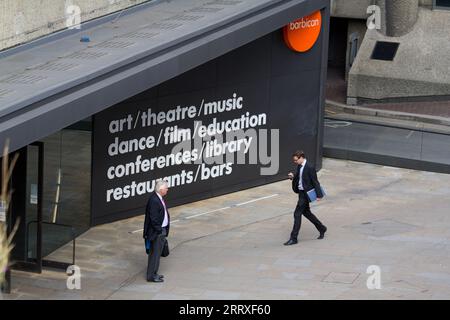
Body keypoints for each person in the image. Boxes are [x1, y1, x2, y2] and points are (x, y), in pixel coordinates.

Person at [285, 150, 327, 245]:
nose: (295, 162)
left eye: (296, 160)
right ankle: (322, 228)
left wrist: (319, 195)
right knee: (307, 213)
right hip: (301, 192)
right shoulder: (300, 165)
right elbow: (300, 177)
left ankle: (294, 238)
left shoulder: (310, 167)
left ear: (301, 158)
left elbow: (315, 181)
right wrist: (293, 176)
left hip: (305, 194)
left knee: (297, 214)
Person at [143, 180, 170, 282]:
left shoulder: (159, 198)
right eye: (166, 188)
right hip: (156, 232)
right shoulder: (154, 200)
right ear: (161, 189)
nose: (167, 189)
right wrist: (159, 230)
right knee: (154, 254)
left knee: (157, 254)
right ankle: (151, 276)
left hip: (160, 230)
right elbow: (153, 219)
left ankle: (154, 273)